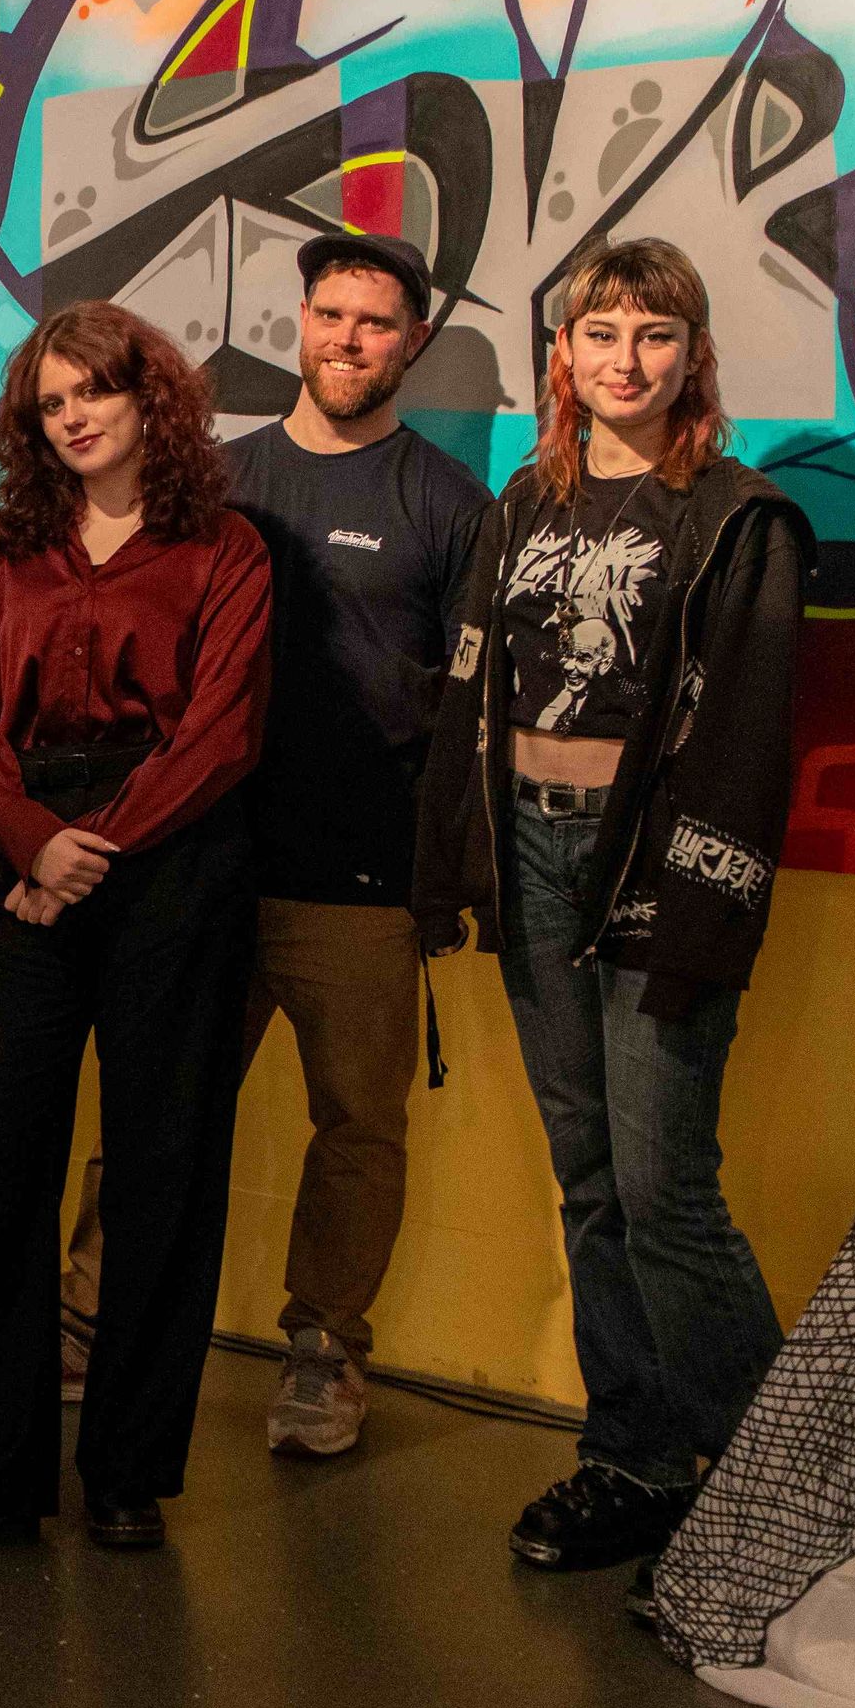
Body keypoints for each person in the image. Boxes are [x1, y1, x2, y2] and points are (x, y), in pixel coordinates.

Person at [414, 236, 812, 1577]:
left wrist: (703, 914)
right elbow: (473, 689)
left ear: (693, 357)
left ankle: (774, 1495)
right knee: (588, 1179)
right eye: (601, 334)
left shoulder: (741, 520)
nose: (625, 360)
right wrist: (452, 860)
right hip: (530, 854)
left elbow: (747, 742)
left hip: (654, 869)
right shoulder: (524, 503)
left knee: (662, 1187)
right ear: (565, 357)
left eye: (654, 335)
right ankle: (636, 1458)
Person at [0, 303, 271, 1561]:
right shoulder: (7, 548)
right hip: (18, 848)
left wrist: (87, 853)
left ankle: (127, 1471)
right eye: (51, 403)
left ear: (149, 398)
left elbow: (219, 732)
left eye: (94, 392)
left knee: (165, 1168)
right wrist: (28, 840)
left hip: (170, 858)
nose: (73, 417)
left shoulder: (225, 547)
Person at [212, 230, 487, 1454]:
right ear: (302, 320)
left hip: (365, 883)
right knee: (163, 1106)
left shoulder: (449, 502)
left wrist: (445, 873)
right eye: (330, 314)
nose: (348, 339)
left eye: (375, 323)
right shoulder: (220, 479)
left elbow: (472, 708)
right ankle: (91, 1313)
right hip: (209, 867)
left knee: (359, 1136)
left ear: (412, 342)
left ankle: (324, 1351)